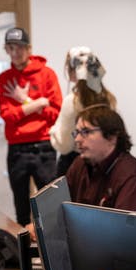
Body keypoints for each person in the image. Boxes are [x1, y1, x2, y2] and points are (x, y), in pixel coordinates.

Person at [0, 26, 61, 238]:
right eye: (11, 48)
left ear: (29, 49)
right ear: (7, 49)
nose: (15, 52)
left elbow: (55, 113)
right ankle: (24, 253)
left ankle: (53, 246)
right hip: (17, 149)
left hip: (44, 145)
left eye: (20, 48)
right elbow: (8, 116)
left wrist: (23, 101)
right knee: (21, 205)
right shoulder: (5, 78)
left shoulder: (47, 75)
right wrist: (37, 104)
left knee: (49, 204)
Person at [65, 105, 136, 214]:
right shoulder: (79, 164)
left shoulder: (132, 176)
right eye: (77, 133)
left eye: (86, 132)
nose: (77, 139)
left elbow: (122, 229)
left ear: (112, 137)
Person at [50, 46, 116, 177]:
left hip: (76, 167)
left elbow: (64, 145)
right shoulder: (108, 99)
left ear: (72, 72)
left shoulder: (72, 102)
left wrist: (53, 130)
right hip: (104, 165)